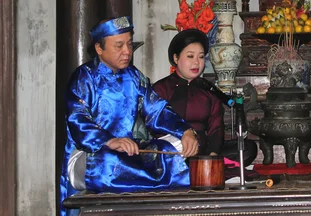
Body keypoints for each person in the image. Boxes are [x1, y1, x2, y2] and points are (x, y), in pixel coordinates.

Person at [59, 17, 199, 216]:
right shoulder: (84, 77)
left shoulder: (134, 77)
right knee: (108, 162)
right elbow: (77, 119)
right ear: (99, 49)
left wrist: (185, 130)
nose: (127, 51)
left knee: (174, 147)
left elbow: (156, 110)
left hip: (129, 151)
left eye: (129, 44)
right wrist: (110, 141)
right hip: (92, 152)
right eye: (119, 46)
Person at [153, 29, 257, 165]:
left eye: (201, 57)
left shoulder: (207, 88)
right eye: (190, 56)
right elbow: (155, 122)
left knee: (248, 148)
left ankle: (207, 167)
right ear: (176, 58)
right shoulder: (161, 88)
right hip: (174, 151)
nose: (196, 62)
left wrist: (213, 154)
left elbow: (216, 128)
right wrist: (183, 135)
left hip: (203, 153)